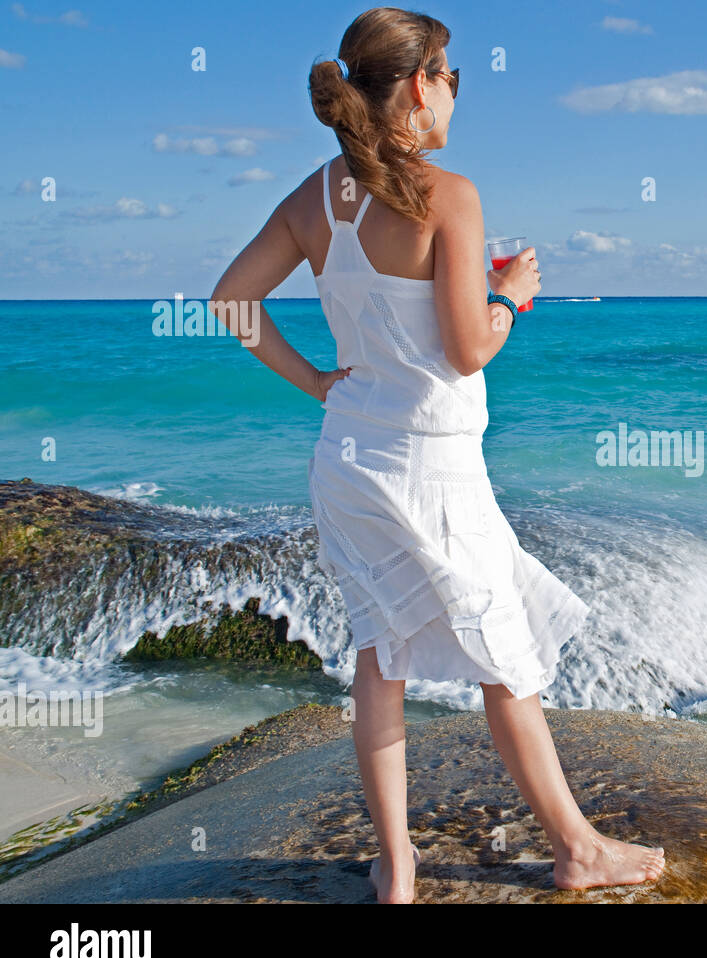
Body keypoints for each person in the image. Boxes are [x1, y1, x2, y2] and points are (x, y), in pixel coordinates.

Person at [207, 6, 664, 903]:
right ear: (421, 85)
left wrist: (316, 382)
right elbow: (466, 349)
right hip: (434, 470)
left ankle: (397, 865)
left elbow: (230, 300)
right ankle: (576, 848)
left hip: (348, 460)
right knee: (504, 652)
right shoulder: (448, 194)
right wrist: (512, 295)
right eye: (453, 77)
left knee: (380, 654)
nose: (455, 93)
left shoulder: (313, 199)